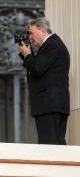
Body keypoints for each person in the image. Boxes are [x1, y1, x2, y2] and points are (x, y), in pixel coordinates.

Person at [18, 17, 70, 145]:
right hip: (52, 104)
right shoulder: (53, 44)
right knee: (55, 144)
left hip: (49, 104)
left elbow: (37, 69)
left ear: (42, 31)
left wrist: (28, 55)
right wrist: (28, 55)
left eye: (31, 33)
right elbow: (39, 68)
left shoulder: (51, 45)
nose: (29, 37)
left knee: (50, 145)